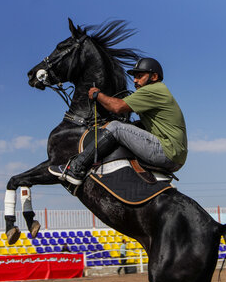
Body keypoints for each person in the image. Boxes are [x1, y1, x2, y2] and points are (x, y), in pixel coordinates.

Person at [49, 57, 187, 186]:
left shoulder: (153, 89)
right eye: (134, 77)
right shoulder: (158, 92)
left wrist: (98, 94)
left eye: (140, 76)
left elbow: (117, 107)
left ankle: (75, 168)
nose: (135, 81)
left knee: (116, 127)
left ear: (154, 77)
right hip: (174, 156)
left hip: (166, 152)